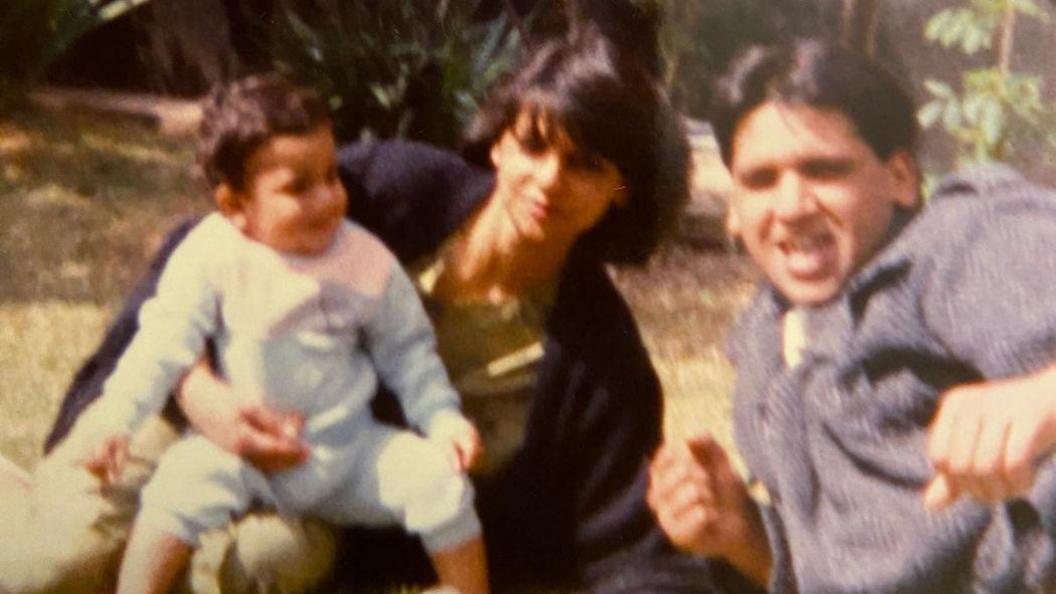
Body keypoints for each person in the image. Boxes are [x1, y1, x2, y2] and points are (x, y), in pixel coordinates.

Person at [3, 27, 751, 594]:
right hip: (185, 408)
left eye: (586, 165)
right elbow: (192, 264)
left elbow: (627, 548)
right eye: (533, 143)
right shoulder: (387, 191)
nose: (549, 180)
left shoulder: (599, 358)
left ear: (621, 191)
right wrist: (204, 398)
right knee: (53, 567)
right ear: (499, 141)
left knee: (230, 572)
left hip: (317, 497)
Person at [647, 38, 1056, 594]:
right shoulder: (765, 339)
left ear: (901, 178)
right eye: (761, 180)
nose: (791, 206)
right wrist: (739, 531)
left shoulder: (956, 244)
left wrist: (1042, 397)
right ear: (735, 213)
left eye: (824, 170)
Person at [78, 74, 488, 594]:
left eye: (331, 176)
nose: (327, 199)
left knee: (441, 484)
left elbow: (408, 351)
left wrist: (443, 419)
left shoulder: (364, 260)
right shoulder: (213, 254)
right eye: (298, 187)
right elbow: (164, 341)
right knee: (174, 492)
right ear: (235, 206)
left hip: (347, 453)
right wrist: (117, 416)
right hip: (241, 452)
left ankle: (470, 590)